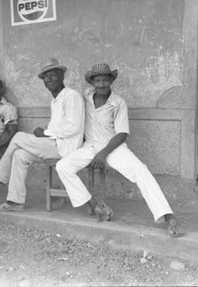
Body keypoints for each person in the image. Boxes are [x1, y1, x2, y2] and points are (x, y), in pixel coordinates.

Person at [55, 63, 185, 237]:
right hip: (89, 147)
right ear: (92, 83)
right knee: (63, 166)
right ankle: (94, 206)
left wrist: (104, 153)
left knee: (141, 170)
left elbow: (122, 133)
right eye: (98, 81)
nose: (101, 84)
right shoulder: (84, 97)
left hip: (113, 147)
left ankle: (168, 217)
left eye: (105, 80)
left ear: (111, 81)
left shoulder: (118, 103)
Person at [0, 58, 85, 212]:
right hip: (54, 144)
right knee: (20, 155)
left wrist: (45, 132)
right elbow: (60, 126)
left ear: (61, 76)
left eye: (53, 75)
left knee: (19, 137)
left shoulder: (71, 96)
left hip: (66, 147)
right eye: (45, 77)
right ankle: (15, 201)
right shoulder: (56, 100)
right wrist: (46, 131)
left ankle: (0, 176)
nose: (49, 79)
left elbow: (74, 127)